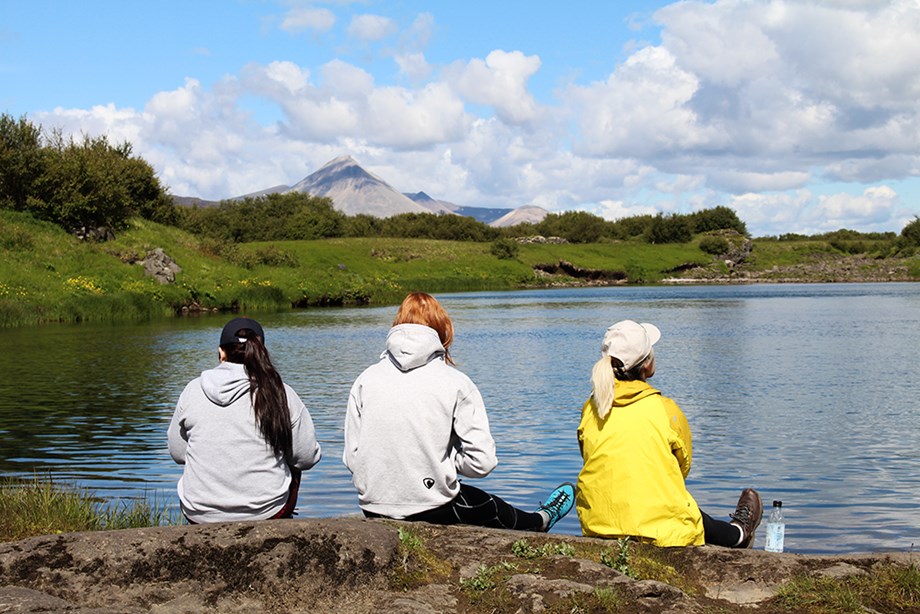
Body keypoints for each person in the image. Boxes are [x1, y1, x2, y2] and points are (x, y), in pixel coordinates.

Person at [344, 292, 575, 532]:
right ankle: (542, 520)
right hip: (431, 508)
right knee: (489, 506)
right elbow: (483, 463)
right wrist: (442, 461)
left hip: (373, 506)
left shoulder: (365, 379)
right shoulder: (456, 383)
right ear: (442, 334)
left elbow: (353, 458)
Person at [576, 319, 762, 548]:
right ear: (646, 365)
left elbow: (591, 457)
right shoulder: (666, 410)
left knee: (671, 501)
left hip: (598, 522)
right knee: (679, 506)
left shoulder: (591, 408)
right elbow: (681, 468)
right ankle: (740, 534)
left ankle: (737, 533)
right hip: (658, 533)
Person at [168, 317, 321, 523]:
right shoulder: (281, 392)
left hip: (200, 513)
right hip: (266, 512)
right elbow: (306, 457)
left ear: (221, 352)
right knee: (293, 462)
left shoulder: (191, 390)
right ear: (260, 351)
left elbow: (178, 454)